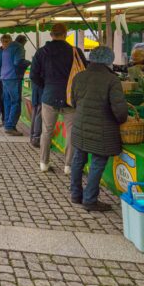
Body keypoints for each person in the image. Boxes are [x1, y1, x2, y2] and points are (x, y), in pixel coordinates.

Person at [69, 46, 128, 212]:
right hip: (102, 131)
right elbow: (120, 110)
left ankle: (75, 194)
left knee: (78, 160)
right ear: (109, 60)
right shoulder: (111, 80)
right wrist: (122, 120)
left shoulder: (79, 76)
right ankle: (89, 199)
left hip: (80, 126)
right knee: (97, 164)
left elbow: (74, 102)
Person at [30, 23, 86, 174]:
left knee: (47, 131)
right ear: (66, 33)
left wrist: (46, 86)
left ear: (51, 34)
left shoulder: (41, 52)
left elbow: (33, 75)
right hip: (71, 98)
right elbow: (83, 73)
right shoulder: (75, 51)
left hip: (49, 95)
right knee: (71, 132)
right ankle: (68, 166)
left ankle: (44, 163)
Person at [0, 34, 28, 136]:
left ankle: (8, 123)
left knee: (8, 102)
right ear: (23, 41)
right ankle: (10, 126)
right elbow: (18, 62)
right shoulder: (19, 47)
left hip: (5, 78)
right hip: (13, 78)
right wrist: (30, 63)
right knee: (15, 102)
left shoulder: (7, 48)